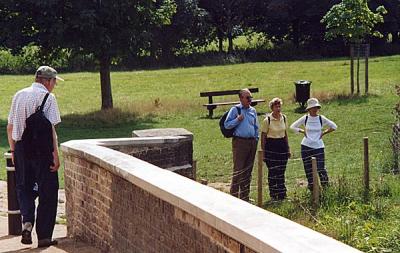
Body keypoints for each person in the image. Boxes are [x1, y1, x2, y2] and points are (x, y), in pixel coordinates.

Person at [7, 66, 63, 248]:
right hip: (42, 151)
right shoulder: (48, 98)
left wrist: (14, 151)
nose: (54, 85)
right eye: (54, 81)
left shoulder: (18, 95)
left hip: (22, 149)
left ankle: (27, 222)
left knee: (24, 187)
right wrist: (55, 155)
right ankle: (45, 236)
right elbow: (51, 130)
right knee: (48, 191)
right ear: (46, 81)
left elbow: (10, 126)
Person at [290, 98, 337, 190]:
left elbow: (334, 126)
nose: (315, 109)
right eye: (313, 108)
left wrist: (324, 133)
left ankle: (326, 188)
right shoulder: (305, 118)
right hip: (306, 146)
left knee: (321, 168)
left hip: (319, 147)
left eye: (316, 107)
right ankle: (313, 189)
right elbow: (292, 126)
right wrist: (302, 131)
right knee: (308, 170)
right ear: (309, 109)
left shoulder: (321, 118)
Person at [224, 88, 259, 201]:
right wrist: (237, 120)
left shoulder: (253, 110)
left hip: (252, 142)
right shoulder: (235, 110)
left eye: (251, 97)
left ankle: (245, 197)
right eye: (248, 97)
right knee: (238, 170)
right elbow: (227, 125)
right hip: (240, 143)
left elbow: (256, 126)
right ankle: (234, 198)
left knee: (248, 171)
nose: (250, 100)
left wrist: (256, 138)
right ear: (241, 98)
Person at [261, 98, 290, 201]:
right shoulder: (267, 120)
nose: (278, 108)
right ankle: (273, 194)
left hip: (282, 145)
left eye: (279, 106)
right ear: (272, 108)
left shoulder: (284, 118)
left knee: (281, 171)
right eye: (276, 106)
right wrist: (263, 152)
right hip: (271, 146)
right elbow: (263, 136)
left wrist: (288, 148)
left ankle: (282, 194)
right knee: (273, 171)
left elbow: (285, 133)